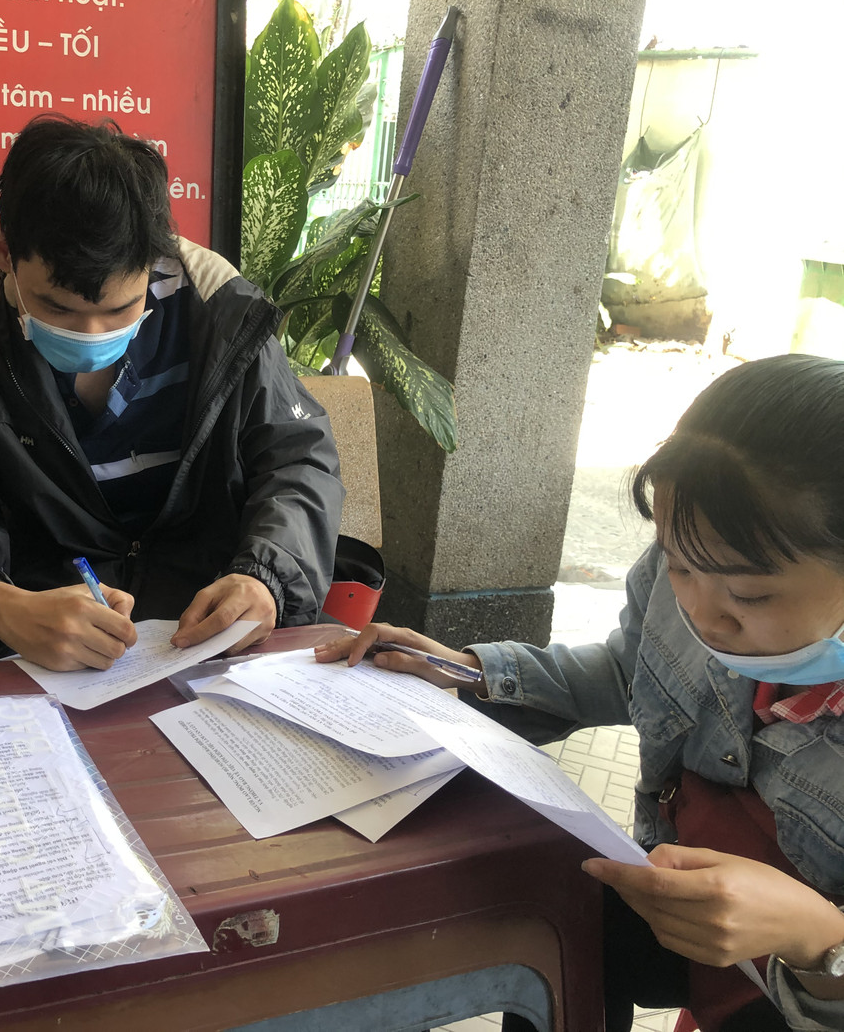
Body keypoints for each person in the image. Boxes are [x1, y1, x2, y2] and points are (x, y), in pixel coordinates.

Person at [318, 354, 844, 1032]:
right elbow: (631, 672)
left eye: (748, 594)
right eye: (678, 566)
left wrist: (818, 937)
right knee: (550, 915)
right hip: (682, 902)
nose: (702, 613)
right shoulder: (697, 560)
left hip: (808, 989)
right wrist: (469, 672)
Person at [0, 115, 344, 669]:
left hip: (208, 633)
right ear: (4, 251)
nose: (91, 334)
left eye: (121, 309)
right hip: (41, 641)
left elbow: (298, 461)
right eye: (57, 309)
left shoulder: (220, 318)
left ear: (154, 259)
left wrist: (264, 577)